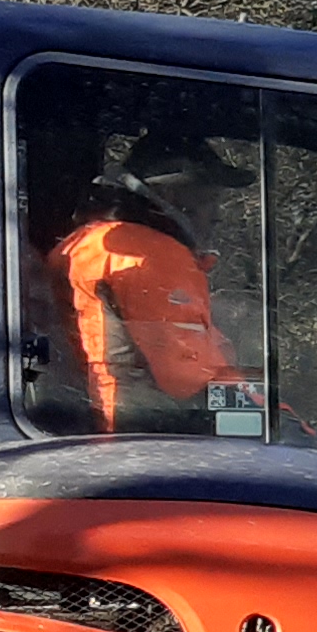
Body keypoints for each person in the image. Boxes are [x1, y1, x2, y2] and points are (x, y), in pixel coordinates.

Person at [48, 149, 255, 434]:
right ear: (171, 195)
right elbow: (190, 381)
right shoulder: (148, 256)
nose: (217, 215)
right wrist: (277, 422)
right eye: (209, 200)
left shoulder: (90, 243)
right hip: (143, 440)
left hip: (116, 434)